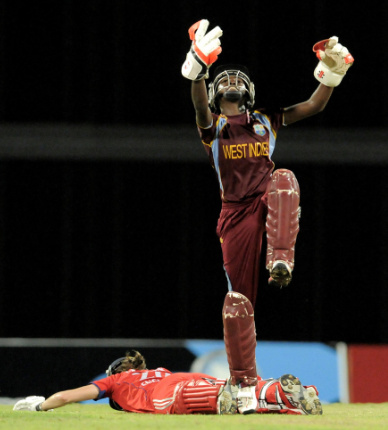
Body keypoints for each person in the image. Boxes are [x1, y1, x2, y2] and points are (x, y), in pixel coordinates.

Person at [181, 20, 354, 307]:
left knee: (284, 177)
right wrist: (197, 71)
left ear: (249, 90)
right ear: (214, 92)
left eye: (237, 79)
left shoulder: (265, 119)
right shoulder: (213, 127)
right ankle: (240, 348)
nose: (232, 82)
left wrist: (331, 76)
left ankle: (281, 260)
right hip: (235, 212)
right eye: (224, 79)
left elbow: (313, 106)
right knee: (239, 300)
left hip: (267, 197)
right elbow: (200, 107)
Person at [13, 292, 322, 416]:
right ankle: (290, 398)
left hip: (173, 396)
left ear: (114, 372)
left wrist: (41, 406)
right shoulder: (158, 370)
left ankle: (267, 398)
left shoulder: (117, 382)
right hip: (194, 380)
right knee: (241, 395)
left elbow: (69, 396)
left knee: (223, 403)